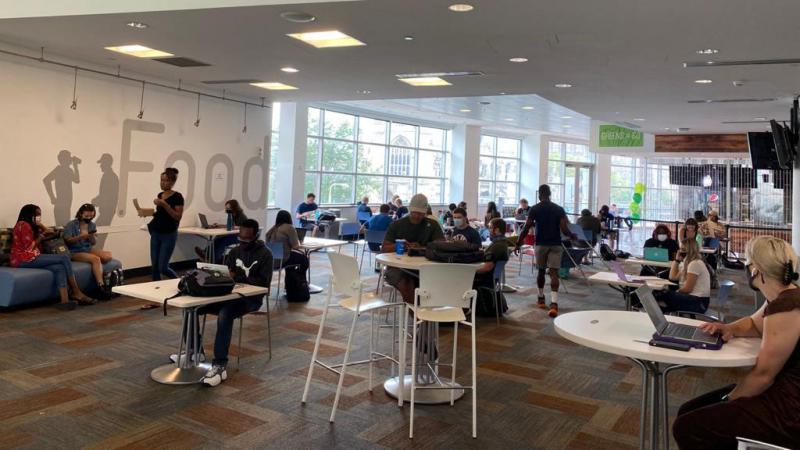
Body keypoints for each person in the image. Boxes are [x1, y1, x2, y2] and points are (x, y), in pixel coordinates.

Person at [672, 236, 800, 449]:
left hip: (789, 410)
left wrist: (729, 399)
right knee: (688, 410)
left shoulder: (787, 306)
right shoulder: (784, 296)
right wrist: (729, 328)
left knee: (687, 427)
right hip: (783, 391)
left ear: (755, 270)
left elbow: (763, 377)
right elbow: (753, 324)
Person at [194, 219, 273, 387]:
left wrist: (238, 277)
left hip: (251, 299)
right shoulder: (234, 252)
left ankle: (219, 364)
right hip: (228, 295)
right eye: (240, 239)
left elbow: (263, 285)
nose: (243, 243)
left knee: (225, 314)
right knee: (192, 308)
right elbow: (226, 275)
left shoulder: (266, 254)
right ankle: (195, 352)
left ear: (256, 236)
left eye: (247, 240)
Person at [10, 204, 95, 310]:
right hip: (22, 259)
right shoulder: (23, 225)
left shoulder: (32, 225)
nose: (39, 217)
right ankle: (76, 291)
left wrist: (41, 226)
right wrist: (41, 236)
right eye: (36, 214)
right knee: (64, 258)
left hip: (32, 257)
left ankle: (65, 301)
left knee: (59, 267)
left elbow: (51, 234)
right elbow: (29, 248)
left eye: (40, 214)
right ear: (29, 214)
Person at [514, 184, 576, 318]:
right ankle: (554, 303)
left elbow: (526, 227)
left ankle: (541, 298)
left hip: (541, 244)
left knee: (541, 271)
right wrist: (572, 236)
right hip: (556, 244)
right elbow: (564, 229)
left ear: (539, 195)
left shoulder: (535, 209)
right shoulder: (558, 209)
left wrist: (518, 243)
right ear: (550, 194)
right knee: (554, 273)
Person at [382, 193, 445, 303]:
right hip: (398, 267)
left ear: (425, 213)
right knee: (407, 283)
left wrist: (422, 248)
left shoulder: (432, 225)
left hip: (426, 268)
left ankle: (431, 313)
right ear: (409, 210)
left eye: (420, 214)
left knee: (440, 280)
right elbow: (384, 248)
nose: (416, 216)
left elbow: (441, 246)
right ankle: (418, 316)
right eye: (414, 213)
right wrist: (400, 245)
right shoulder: (397, 225)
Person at [138, 167, 184, 281]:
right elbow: (161, 214)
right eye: (161, 180)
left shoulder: (178, 197)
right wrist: (148, 213)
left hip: (169, 234)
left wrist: (165, 205)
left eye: (166, 180)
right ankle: (156, 289)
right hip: (156, 233)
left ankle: (180, 283)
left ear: (172, 182)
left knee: (163, 267)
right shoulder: (160, 195)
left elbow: (177, 216)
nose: (163, 183)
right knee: (154, 268)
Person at [62, 203, 113, 300]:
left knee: (108, 256)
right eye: (86, 216)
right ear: (81, 214)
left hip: (87, 248)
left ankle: (104, 276)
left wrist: (92, 237)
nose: (89, 218)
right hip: (74, 250)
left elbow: (93, 243)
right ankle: (101, 286)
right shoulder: (71, 224)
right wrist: (80, 237)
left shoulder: (92, 225)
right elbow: (67, 240)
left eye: (91, 216)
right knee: (96, 259)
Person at [656, 238, 710, 314]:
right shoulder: (687, 263)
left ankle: (664, 313)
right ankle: (665, 311)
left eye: (682, 249)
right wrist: (677, 260)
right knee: (661, 297)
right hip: (694, 299)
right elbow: (672, 277)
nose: (680, 251)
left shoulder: (694, 263)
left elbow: (688, 289)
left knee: (660, 295)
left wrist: (676, 292)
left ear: (689, 250)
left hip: (699, 302)